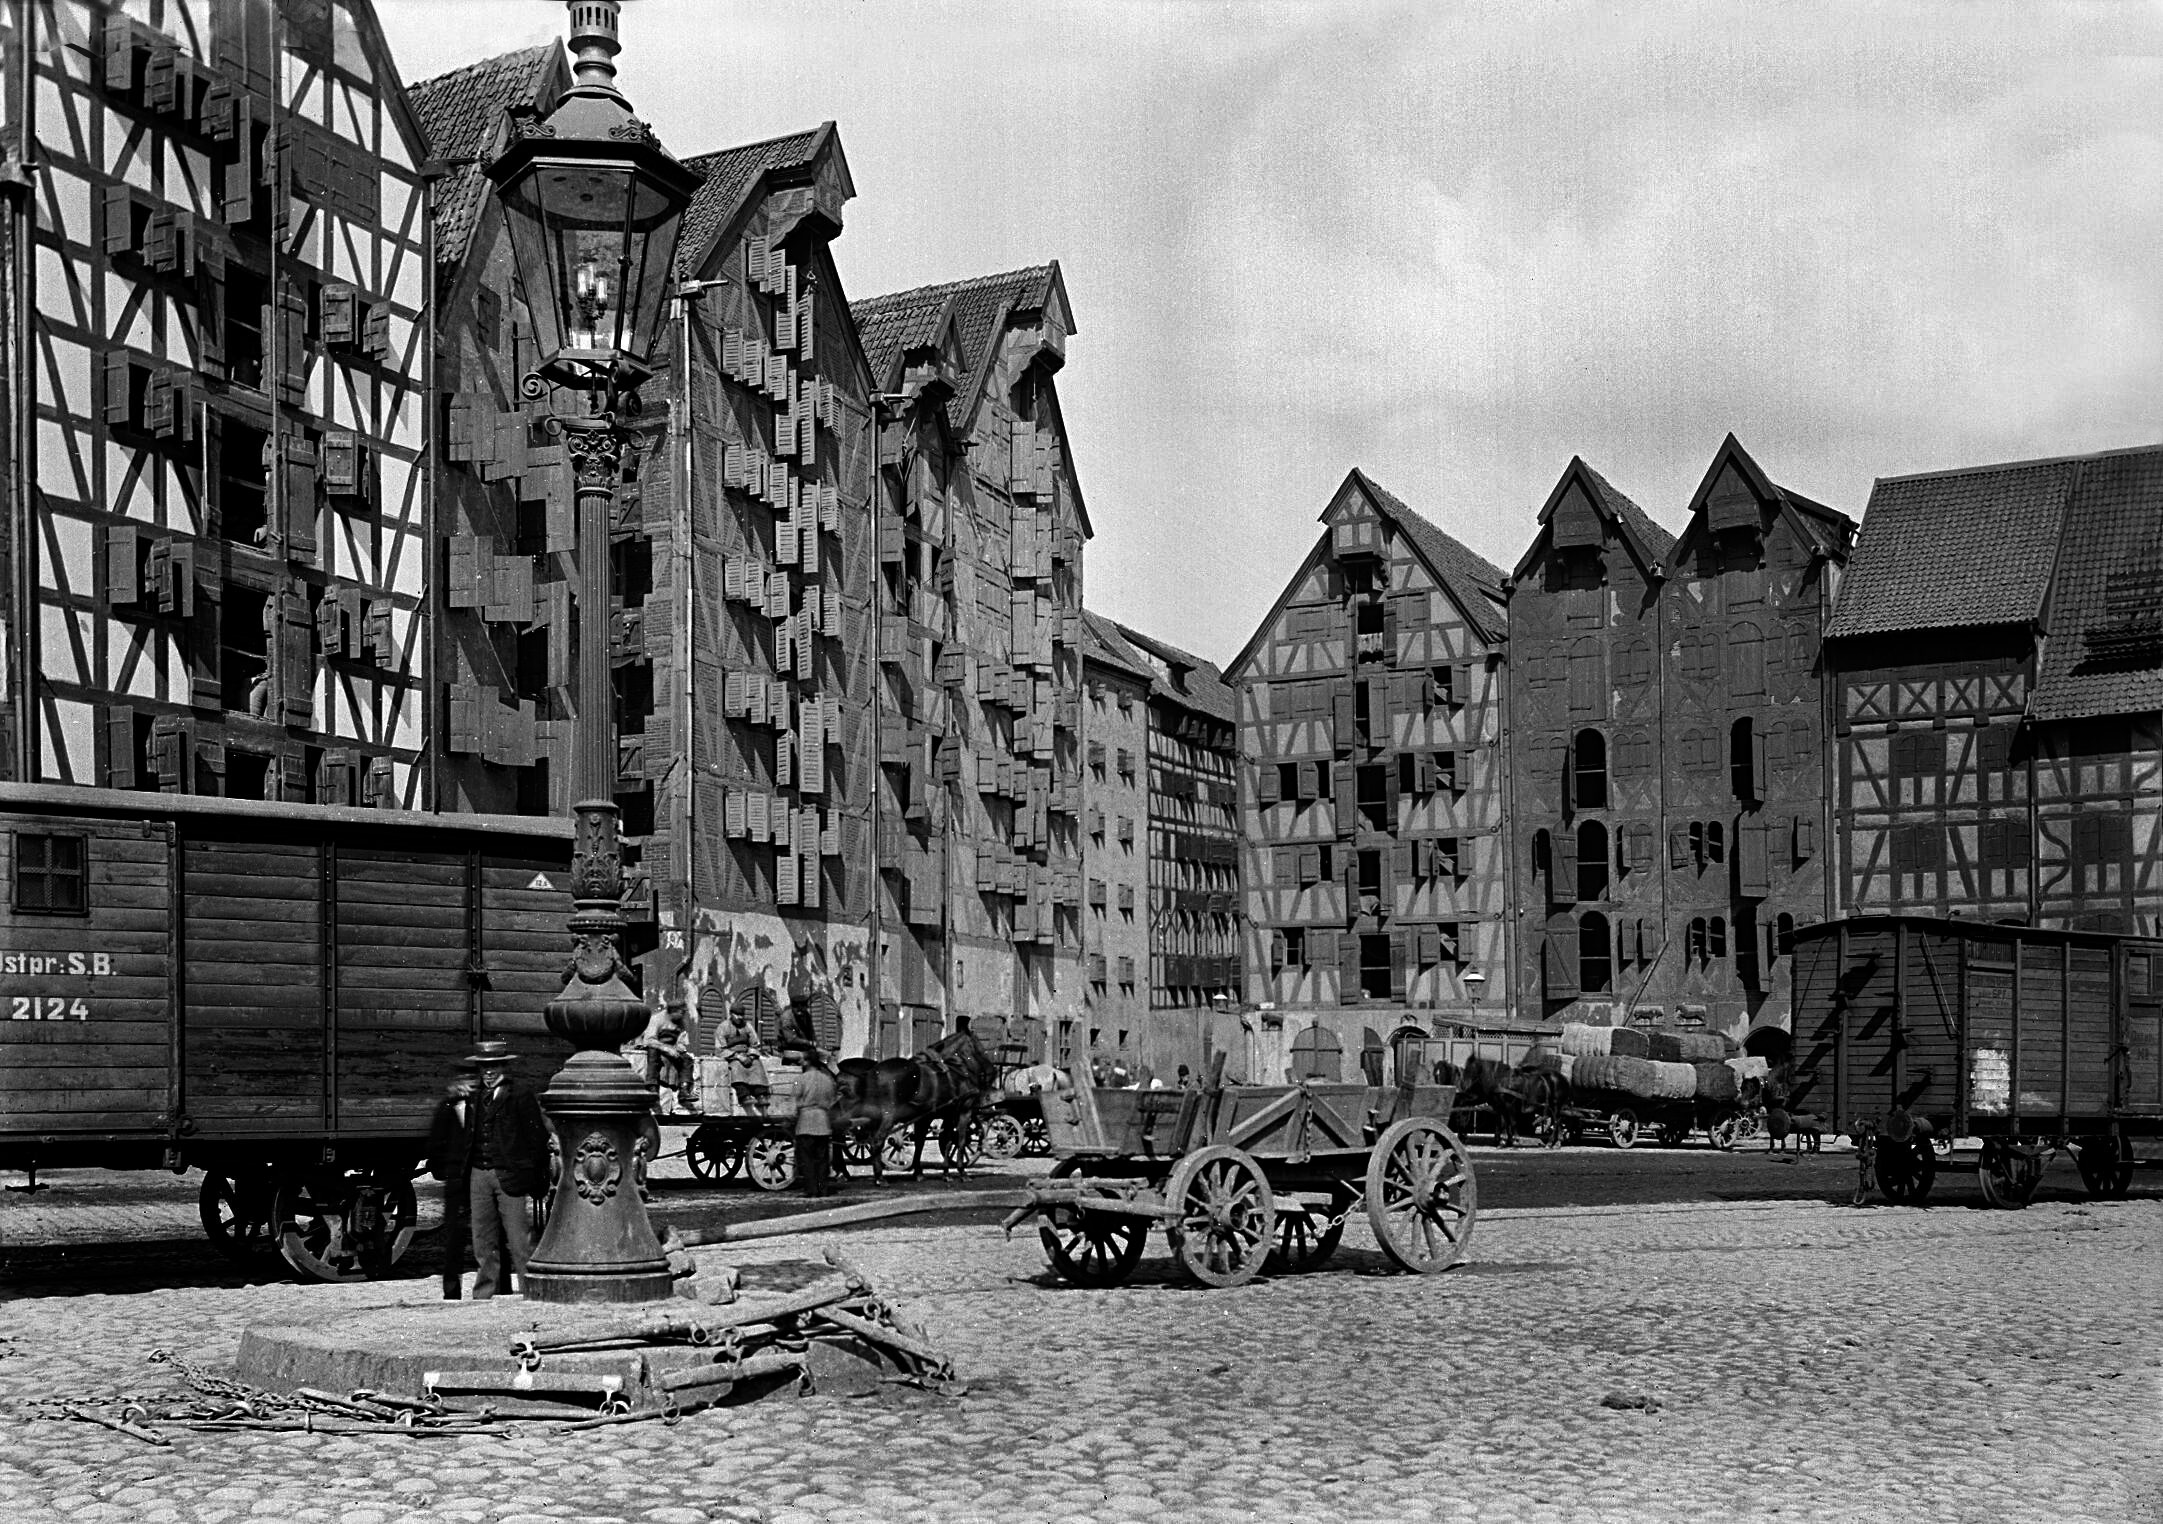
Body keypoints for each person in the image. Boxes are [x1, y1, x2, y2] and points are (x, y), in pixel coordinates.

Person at [429, 1040, 549, 1299]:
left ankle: (533, 1293)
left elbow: (536, 1140)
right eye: (484, 1067)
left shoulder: (520, 1095)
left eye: (494, 1066)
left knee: (519, 1241)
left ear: (504, 1067)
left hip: (510, 1178)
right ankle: (484, 1295)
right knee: (483, 1242)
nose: (489, 1072)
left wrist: (537, 1178)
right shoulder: (474, 1098)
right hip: (478, 1176)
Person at [425, 1059, 479, 1300]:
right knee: (454, 1238)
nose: (470, 1086)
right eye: (466, 1081)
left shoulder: (482, 1108)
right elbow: (436, 1143)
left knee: (487, 1236)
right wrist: (445, 1171)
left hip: (479, 1178)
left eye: (473, 1081)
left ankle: (498, 1289)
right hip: (457, 1181)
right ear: (457, 1084)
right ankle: (451, 1291)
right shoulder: (447, 1108)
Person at [794, 1048, 840, 1199]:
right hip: (822, 1121)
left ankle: (811, 1190)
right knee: (822, 1159)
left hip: (806, 1122)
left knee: (807, 1158)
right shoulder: (827, 1079)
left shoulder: (802, 1079)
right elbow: (833, 1100)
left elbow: (795, 1101)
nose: (800, 1062)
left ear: (807, 1062)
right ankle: (823, 1188)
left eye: (802, 1059)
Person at [640, 1007, 696, 1114]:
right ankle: (652, 1088)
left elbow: (682, 1040)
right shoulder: (657, 1019)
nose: (682, 1016)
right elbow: (649, 1040)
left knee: (687, 1059)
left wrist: (679, 1047)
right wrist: (666, 1048)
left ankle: (684, 1090)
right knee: (653, 1053)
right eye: (681, 1013)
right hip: (655, 1046)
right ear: (673, 1012)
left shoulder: (681, 1022)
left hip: (671, 1048)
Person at [718, 1001, 769, 1114]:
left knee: (756, 1064)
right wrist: (737, 1056)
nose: (740, 1017)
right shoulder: (723, 1027)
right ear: (731, 1014)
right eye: (737, 1015)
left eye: (742, 1015)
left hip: (747, 1053)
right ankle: (744, 1096)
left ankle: (760, 1095)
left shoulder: (747, 1026)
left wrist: (750, 1056)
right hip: (732, 1056)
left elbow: (755, 1043)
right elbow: (720, 1049)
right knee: (736, 1067)